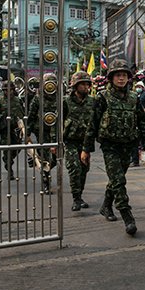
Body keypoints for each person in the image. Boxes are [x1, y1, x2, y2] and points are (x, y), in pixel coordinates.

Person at [83, 58, 145, 236]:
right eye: (118, 75)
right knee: (119, 181)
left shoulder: (134, 98)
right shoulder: (102, 98)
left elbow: (143, 122)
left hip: (128, 145)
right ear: (111, 78)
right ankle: (127, 216)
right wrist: (86, 149)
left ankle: (106, 206)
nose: (121, 79)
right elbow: (93, 124)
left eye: (124, 75)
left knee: (116, 179)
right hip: (110, 145)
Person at [63, 71, 95, 211]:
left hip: (85, 143)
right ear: (75, 85)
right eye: (82, 84)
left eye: (87, 84)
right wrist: (54, 141)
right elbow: (58, 121)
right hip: (70, 141)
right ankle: (76, 198)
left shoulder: (92, 102)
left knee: (83, 170)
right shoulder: (66, 101)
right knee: (74, 169)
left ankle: (80, 195)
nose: (85, 87)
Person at [26, 73, 59, 194]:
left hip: (56, 133)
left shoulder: (60, 98)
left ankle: (40, 164)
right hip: (41, 132)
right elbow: (31, 116)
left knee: (56, 159)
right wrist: (27, 134)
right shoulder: (37, 99)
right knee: (45, 158)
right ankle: (46, 183)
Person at [0, 81, 25, 181]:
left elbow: (23, 113)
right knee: (7, 149)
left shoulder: (18, 100)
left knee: (17, 148)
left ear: (13, 90)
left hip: (17, 129)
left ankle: (8, 159)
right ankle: (9, 169)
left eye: (9, 90)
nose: (7, 92)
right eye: (5, 90)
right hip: (5, 130)